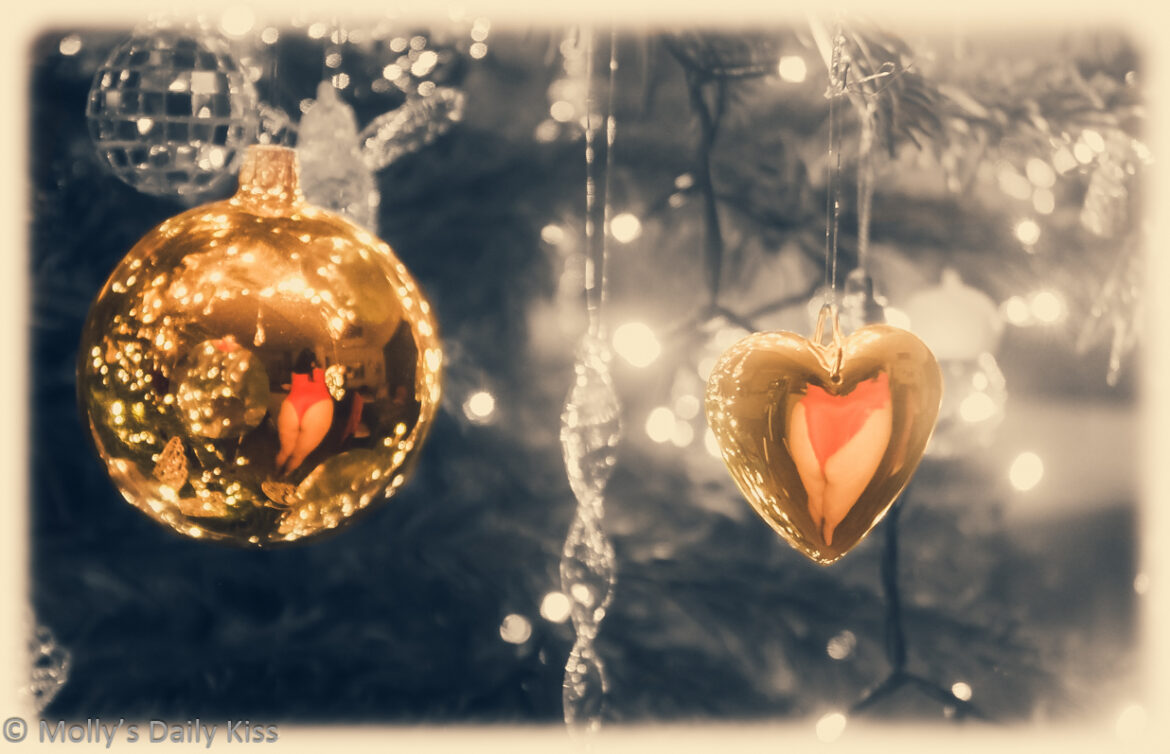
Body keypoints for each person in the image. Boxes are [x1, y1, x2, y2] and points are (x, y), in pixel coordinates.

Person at [275, 348, 333, 475]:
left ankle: (274, 475)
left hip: (294, 402)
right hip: (320, 404)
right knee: (299, 454)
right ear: (314, 362)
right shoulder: (322, 371)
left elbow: (287, 385)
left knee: (285, 451)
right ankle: (285, 477)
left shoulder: (295, 371)